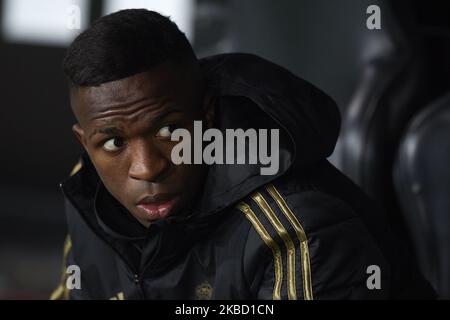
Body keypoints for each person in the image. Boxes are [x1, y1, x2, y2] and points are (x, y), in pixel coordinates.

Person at [51, 9, 434, 300]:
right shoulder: (93, 194)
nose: (147, 168)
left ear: (207, 113)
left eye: (169, 132)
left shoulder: (297, 231)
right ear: (85, 144)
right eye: (113, 143)